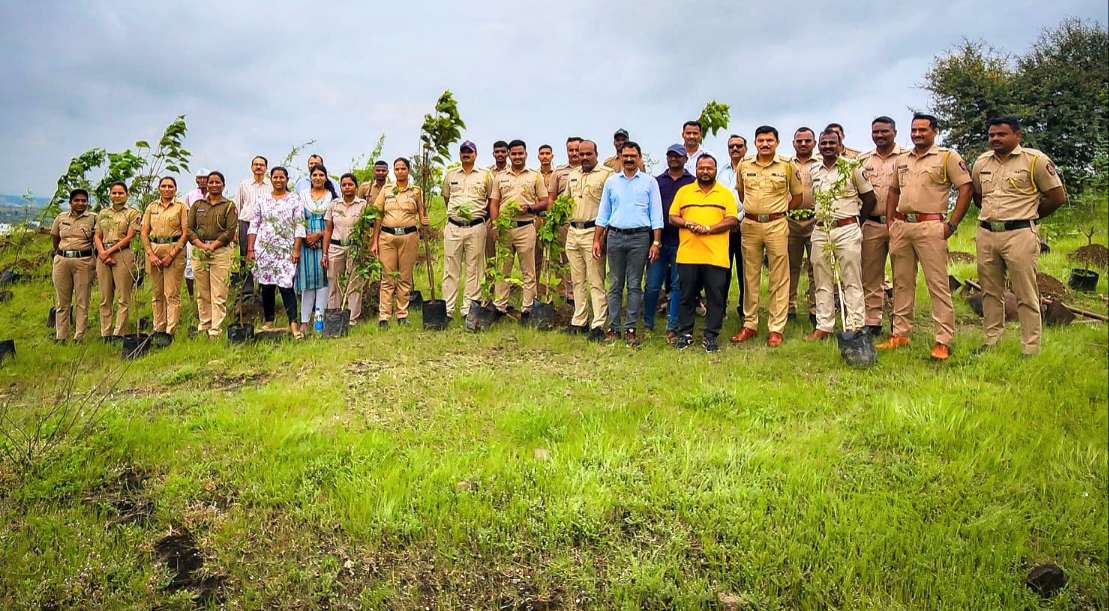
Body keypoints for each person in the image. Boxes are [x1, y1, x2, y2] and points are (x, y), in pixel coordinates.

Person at [877, 113, 973, 360]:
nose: (918, 134)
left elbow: (966, 188)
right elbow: (893, 191)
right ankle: (900, 334)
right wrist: (890, 222)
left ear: (935, 131)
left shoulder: (947, 157)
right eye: (914, 130)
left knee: (937, 284)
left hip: (931, 227)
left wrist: (951, 225)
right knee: (901, 282)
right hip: (902, 227)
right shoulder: (903, 159)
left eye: (923, 130)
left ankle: (943, 340)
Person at [971, 116, 1066, 356]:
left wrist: (1029, 216)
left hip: (1020, 234)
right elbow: (978, 197)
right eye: (992, 135)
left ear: (1017, 135)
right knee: (990, 291)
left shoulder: (1035, 161)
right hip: (987, 233)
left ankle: (1030, 347)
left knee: (1025, 292)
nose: (995, 139)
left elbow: (1057, 197)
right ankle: (992, 341)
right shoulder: (981, 163)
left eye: (1001, 134)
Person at [731, 126, 803, 347]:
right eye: (761, 140)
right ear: (755, 143)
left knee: (779, 277)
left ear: (777, 143)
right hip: (751, 224)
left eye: (769, 140)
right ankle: (749, 324)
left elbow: (797, 196)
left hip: (776, 224)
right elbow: (741, 193)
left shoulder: (787, 165)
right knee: (749, 275)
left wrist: (779, 212)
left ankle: (776, 328)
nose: (765, 144)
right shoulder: (745, 165)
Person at [805, 130, 877, 341]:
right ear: (819, 146)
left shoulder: (852, 168)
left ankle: (855, 325)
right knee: (821, 279)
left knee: (851, 278)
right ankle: (823, 326)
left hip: (847, 229)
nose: (827, 146)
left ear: (840, 144)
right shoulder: (814, 170)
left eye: (832, 143)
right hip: (822, 230)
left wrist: (857, 221)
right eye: (824, 143)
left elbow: (869, 198)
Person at [594, 141, 663, 347]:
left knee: (634, 284)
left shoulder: (649, 182)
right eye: (626, 156)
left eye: (633, 156)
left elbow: (656, 214)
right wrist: (597, 239)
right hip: (615, 236)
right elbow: (603, 213)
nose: (629, 159)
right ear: (620, 158)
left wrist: (656, 242)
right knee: (615, 284)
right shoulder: (612, 182)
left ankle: (631, 327)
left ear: (639, 158)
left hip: (639, 238)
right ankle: (614, 327)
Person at [668, 154, 739, 352]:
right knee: (686, 296)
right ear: (696, 169)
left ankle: (711, 335)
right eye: (701, 168)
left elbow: (732, 220)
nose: (705, 171)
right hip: (688, 254)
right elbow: (672, 217)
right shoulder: (684, 192)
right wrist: (687, 223)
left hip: (716, 256)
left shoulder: (725, 193)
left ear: (715, 170)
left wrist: (709, 229)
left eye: (709, 168)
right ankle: (685, 334)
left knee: (715, 297)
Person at [490, 139, 549, 317]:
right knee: (503, 269)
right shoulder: (500, 177)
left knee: (528, 271)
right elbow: (494, 203)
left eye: (520, 153)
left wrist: (530, 208)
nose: (517, 157)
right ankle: (499, 306)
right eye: (514, 154)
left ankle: (528, 309)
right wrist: (495, 225)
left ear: (525, 154)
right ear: (509, 155)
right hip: (505, 228)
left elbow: (545, 201)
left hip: (526, 227)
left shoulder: (534, 176)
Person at [562, 140, 613, 339]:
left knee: (596, 280)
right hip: (573, 231)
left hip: (594, 232)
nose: (583, 157)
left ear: (596, 153)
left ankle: (598, 323)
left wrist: (602, 236)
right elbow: (565, 201)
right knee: (577, 280)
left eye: (588, 154)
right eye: (580, 154)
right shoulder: (573, 175)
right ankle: (579, 320)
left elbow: (610, 206)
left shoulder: (606, 175)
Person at [858, 116, 903, 336]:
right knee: (871, 275)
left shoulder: (906, 158)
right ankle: (872, 321)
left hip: (900, 224)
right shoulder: (863, 160)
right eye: (875, 132)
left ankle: (900, 322)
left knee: (901, 275)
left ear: (894, 132)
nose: (879, 135)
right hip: (873, 224)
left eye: (884, 131)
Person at [247, 167, 305, 337]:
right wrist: (251, 249)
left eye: (282, 177)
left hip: (285, 250)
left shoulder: (294, 199)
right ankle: (269, 321)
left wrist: (296, 249)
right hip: (265, 249)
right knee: (266, 286)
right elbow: (254, 224)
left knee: (286, 286)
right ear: (270, 179)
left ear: (287, 179)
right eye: (275, 177)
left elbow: (299, 225)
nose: (278, 180)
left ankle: (293, 323)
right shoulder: (262, 199)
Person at [644, 144, 694, 340]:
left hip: (683, 241)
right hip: (659, 241)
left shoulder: (692, 182)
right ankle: (648, 323)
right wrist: (654, 241)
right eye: (671, 155)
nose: (674, 159)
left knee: (677, 285)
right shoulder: (657, 182)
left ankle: (672, 326)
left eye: (678, 156)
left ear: (685, 159)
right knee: (652, 285)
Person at [371, 158, 429, 326]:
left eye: (403, 168)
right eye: (397, 169)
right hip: (387, 238)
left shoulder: (416, 191)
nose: (400, 171)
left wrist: (424, 221)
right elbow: (378, 215)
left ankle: (402, 314)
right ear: (394, 171)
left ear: (408, 171)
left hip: (408, 237)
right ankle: (384, 316)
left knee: (405, 277)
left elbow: (421, 212)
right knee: (387, 278)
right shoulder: (387, 190)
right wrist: (374, 241)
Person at [442, 141, 493, 324]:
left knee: (474, 269)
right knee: (451, 269)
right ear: (459, 154)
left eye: (469, 151)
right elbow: (446, 198)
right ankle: (447, 310)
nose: (466, 154)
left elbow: (491, 200)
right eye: (463, 151)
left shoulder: (485, 175)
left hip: (476, 227)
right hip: (454, 227)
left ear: (475, 154)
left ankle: (469, 310)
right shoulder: (451, 175)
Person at [188, 171, 238, 338]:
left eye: (218, 182)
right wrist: (201, 245)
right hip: (200, 251)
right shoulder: (198, 205)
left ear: (223, 185)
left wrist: (214, 246)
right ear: (206, 184)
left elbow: (230, 231)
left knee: (218, 292)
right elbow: (189, 229)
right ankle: (205, 325)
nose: (214, 185)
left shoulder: (229, 206)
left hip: (221, 251)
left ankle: (215, 330)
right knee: (202, 292)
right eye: (211, 182)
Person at [141, 177, 189, 336]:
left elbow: (185, 233)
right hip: (154, 250)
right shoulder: (151, 207)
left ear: (175, 189)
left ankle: (170, 331)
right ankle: (158, 327)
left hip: (174, 250)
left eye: (170, 186)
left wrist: (172, 254)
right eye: (164, 186)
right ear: (159, 188)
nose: (167, 189)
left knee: (171, 293)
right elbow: (144, 232)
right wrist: (150, 254)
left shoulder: (181, 207)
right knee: (157, 293)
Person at [94, 181, 141, 338]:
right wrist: (102, 252)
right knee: (105, 297)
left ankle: (119, 333)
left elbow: (129, 236)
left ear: (127, 195)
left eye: (121, 193)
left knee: (123, 297)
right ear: (110, 194)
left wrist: (109, 252)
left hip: (122, 254)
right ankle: (105, 333)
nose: (117, 196)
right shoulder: (103, 213)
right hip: (103, 255)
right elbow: (97, 235)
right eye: (114, 193)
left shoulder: (132, 213)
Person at [323, 173, 371, 325]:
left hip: (354, 247)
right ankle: (335, 315)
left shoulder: (363, 205)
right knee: (334, 282)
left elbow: (369, 227)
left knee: (354, 282)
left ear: (356, 186)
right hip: (335, 247)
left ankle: (352, 318)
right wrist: (324, 253)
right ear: (340, 187)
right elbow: (328, 230)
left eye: (350, 184)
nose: (347, 187)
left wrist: (366, 248)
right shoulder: (334, 205)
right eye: (344, 185)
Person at [50, 189, 96, 342]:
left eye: (83, 200)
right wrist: (60, 252)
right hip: (62, 261)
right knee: (62, 302)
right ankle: (61, 336)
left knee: (82, 300)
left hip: (84, 261)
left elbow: (97, 239)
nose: (80, 203)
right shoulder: (61, 217)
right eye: (77, 200)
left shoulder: (93, 218)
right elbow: (55, 237)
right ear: (70, 202)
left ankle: (79, 336)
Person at [787, 127, 819, 328]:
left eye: (808, 141)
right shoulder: (786, 164)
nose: (803, 144)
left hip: (815, 221)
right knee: (790, 267)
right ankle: (789, 308)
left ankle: (816, 310)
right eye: (799, 141)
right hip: (790, 221)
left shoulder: (821, 163)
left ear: (814, 143)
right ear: (794, 144)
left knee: (817, 267)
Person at [297, 165, 334, 333]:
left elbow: (332, 223)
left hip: (325, 242)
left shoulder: (331, 196)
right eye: (315, 175)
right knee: (307, 281)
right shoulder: (302, 196)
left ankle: (319, 320)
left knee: (323, 280)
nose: (318, 177)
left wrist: (319, 235)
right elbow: (297, 219)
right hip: (305, 243)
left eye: (321, 175)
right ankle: (304, 321)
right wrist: (306, 237)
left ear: (326, 177)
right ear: (310, 177)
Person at [717, 134, 747, 317]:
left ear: (746, 148)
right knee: (722, 270)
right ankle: (720, 309)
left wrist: (738, 218)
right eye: (731, 146)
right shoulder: (721, 172)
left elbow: (752, 198)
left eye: (739, 146)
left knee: (745, 271)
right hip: (723, 227)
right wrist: (727, 221)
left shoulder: (750, 169)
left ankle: (745, 309)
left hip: (745, 225)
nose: (735, 149)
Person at [235, 155, 273, 260]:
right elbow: (237, 207)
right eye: (256, 164)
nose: (258, 167)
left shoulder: (271, 184)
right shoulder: (244, 184)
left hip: (265, 224)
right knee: (245, 256)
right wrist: (235, 229)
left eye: (261, 165)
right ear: (251, 167)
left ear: (266, 168)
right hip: (246, 223)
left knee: (265, 255)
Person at [183, 168, 209, 300]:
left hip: (211, 236)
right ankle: (191, 296)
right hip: (193, 235)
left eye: (205, 178)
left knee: (209, 264)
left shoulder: (214, 194)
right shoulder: (190, 195)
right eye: (200, 178)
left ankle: (206, 295)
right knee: (190, 264)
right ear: (196, 180)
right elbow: (186, 214)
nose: (203, 180)